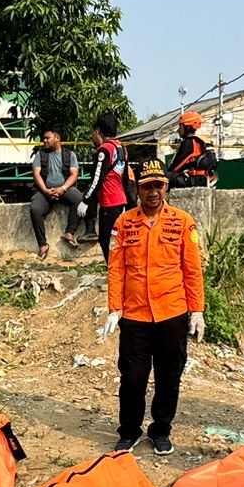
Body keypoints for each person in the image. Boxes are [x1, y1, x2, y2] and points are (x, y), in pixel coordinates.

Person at [99, 160, 205, 456]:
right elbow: (116, 269)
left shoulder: (183, 222)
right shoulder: (124, 223)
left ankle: (160, 430)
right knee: (132, 378)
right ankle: (130, 431)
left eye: (158, 185)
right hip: (134, 316)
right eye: (147, 186)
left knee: (169, 377)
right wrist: (113, 308)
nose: (153, 192)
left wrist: (196, 310)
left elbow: (192, 270)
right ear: (137, 189)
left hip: (172, 314)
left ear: (166, 187)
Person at [82, 113, 129, 261]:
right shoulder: (121, 148)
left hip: (109, 202)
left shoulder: (104, 150)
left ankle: (114, 273)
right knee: (117, 240)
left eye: (93, 133)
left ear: (98, 131)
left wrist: (86, 199)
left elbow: (98, 179)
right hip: (121, 200)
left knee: (106, 240)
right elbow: (126, 178)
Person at [30, 128, 84, 256]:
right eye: (44, 138)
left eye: (47, 138)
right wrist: (45, 190)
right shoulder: (40, 154)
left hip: (65, 189)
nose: (44, 141)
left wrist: (62, 189)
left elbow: (74, 174)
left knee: (79, 199)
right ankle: (43, 245)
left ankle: (69, 233)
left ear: (57, 138)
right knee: (35, 209)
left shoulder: (70, 155)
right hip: (44, 191)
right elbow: (36, 174)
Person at [166, 111, 217, 189]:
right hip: (204, 179)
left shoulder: (189, 142)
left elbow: (175, 167)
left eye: (180, 126)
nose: (178, 130)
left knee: (166, 177)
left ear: (188, 127)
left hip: (194, 180)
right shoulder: (203, 140)